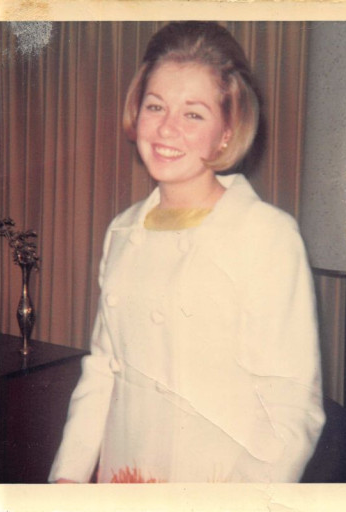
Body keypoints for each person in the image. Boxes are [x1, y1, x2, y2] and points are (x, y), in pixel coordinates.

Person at [49, 20, 325, 484]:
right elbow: (102, 372)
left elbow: (291, 408)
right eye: (155, 106)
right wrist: (68, 480)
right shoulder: (123, 230)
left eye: (193, 114)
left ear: (227, 131)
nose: (166, 128)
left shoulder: (266, 235)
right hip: (123, 480)